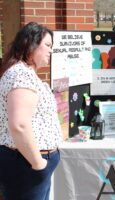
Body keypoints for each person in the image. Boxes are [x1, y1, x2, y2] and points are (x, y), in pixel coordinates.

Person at [0, 22, 62, 200]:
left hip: (29, 163)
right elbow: (19, 125)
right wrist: (39, 164)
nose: (51, 51)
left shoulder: (23, 72)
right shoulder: (21, 75)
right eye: (48, 46)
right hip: (27, 164)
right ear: (31, 44)